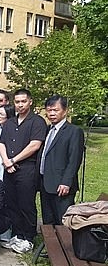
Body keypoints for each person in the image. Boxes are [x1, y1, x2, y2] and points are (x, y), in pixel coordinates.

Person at [0, 88, 46, 254]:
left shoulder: (37, 121)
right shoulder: (10, 122)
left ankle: (28, 238)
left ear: (30, 102)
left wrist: (13, 160)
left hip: (26, 169)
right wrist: (6, 161)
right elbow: (1, 143)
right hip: (9, 168)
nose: (20, 105)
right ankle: (17, 235)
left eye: (23, 101)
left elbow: (35, 145)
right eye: (17, 102)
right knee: (12, 203)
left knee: (26, 204)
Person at [38, 95, 84, 226]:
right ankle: (51, 244)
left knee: (63, 220)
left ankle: (66, 245)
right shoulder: (48, 129)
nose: (51, 114)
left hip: (61, 185)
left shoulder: (74, 131)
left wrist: (66, 182)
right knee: (48, 218)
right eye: (49, 110)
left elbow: (74, 159)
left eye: (55, 110)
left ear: (65, 111)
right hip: (46, 182)